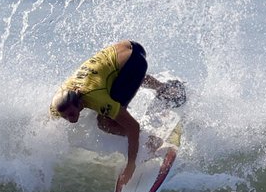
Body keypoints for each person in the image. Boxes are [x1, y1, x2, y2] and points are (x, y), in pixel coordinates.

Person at [50, 40, 184, 184]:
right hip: (128, 47)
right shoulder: (57, 106)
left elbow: (133, 126)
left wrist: (131, 165)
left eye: (72, 114)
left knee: (104, 122)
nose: (70, 120)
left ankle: (151, 141)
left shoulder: (96, 98)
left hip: (135, 60)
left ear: (80, 103)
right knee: (115, 78)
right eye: (65, 117)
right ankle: (165, 88)